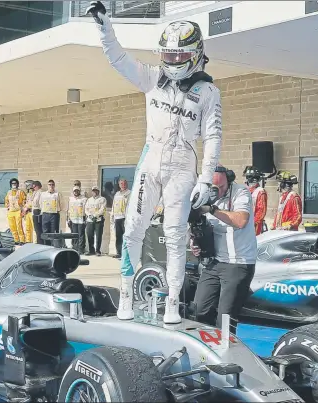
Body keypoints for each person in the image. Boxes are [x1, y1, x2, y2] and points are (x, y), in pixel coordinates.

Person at [87, 0, 223, 323]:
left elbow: (214, 137)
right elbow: (118, 59)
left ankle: (173, 301)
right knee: (133, 226)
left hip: (183, 164)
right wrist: (106, 30)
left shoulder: (208, 92)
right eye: (169, 55)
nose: (173, 62)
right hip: (151, 158)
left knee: (175, 233)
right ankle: (125, 294)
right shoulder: (151, 78)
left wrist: (205, 179)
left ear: (194, 54)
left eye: (179, 56)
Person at [190, 165, 257, 334]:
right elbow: (198, 224)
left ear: (229, 180)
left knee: (225, 319)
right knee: (198, 310)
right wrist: (195, 241)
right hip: (214, 261)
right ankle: (207, 346)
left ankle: (226, 351)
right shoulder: (203, 194)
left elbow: (241, 221)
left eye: (222, 187)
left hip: (238, 262)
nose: (218, 191)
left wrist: (212, 209)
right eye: (214, 188)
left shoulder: (241, 192)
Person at [243, 166, 268, 235]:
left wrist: (253, 223)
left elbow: (261, 211)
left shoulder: (260, 192)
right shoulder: (246, 190)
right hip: (245, 223)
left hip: (254, 226)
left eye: (248, 178)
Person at [111, 178, 131, 259]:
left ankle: (128, 254)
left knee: (127, 236)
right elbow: (113, 205)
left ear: (127, 184)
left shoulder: (130, 193)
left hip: (125, 218)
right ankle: (119, 253)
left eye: (124, 183)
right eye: (121, 184)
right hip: (117, 218)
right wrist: (112, 216)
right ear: (119, 185)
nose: (123, 185)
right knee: (118, 237)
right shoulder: (117, 194)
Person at [85, 186, 107, 256]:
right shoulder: (89, 200)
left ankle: (98, 251)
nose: (95, 192)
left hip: (98, 220)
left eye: (96, 190)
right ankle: (91, 250)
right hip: (90, 220)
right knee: (89, 235)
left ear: (98, 191)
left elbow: (102, 209)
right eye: (93, 191)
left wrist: (95, 215)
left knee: (98, 236)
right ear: (92, 192)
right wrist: (89, 215)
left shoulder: (102, 199)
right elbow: (86, 209)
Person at [4, 178, 27, 244]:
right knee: (12, 227)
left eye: (15, 183)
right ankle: (16, 240)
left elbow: (25, 200)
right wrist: (7, 206)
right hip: (11, 211)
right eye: (12, 183)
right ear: (11, 185)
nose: (14, 185)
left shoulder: (20, 192)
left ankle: (22, 240)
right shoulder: (9, 192)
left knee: (19, 226)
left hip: (18, 211)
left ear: (17, 184)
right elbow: (6, 201)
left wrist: (23, 210)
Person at [40, 179, 61, 246]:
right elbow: (40, 203)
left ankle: (54, 246)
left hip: (54, 215)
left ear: (54, 185)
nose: (51, 186)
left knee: (54, 232)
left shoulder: (57, 194)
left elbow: (62, 204)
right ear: (47, 185)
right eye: (50, 184)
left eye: (52, 184)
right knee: (45, 232)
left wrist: (58, 210)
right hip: (45, 214)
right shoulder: (43, 194)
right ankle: (46, 246)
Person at [67, 186, 87, 254]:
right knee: (74, 234)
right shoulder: (70, 199)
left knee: (81, 235)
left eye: (77, 191)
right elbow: (69, 209)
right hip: (73, 219)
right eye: (75, 191)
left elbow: (86, 209)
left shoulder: (84, 199)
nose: (76, 192)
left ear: (79, 191)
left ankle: (81, 249)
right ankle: (75, 248)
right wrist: (68, 219)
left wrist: (85, 219)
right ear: (73, 192)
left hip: (81, 219)